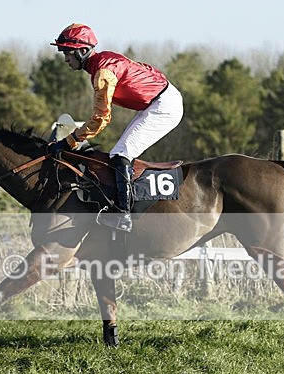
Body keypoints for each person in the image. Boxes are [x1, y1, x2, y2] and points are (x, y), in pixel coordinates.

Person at [48, 23, 183, 232]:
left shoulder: (102, 72)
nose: (65, 58)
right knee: (119, 153)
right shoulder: (103, 60)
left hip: (163, 105)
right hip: (158, 100)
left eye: (68, 53)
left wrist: (69, 141)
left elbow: (101, 118)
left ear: (83, 51)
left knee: (120, 154)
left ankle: (123, 215)